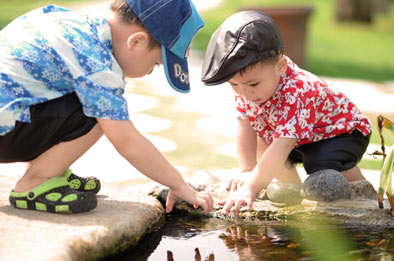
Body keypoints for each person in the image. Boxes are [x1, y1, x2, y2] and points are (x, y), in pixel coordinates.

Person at [0, 0, 213, 214]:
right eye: (156, 64)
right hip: (5, 134)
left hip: (9, 121)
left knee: (85, 96)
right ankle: (36, 181)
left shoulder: (69, 22)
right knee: (104, 112)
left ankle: (47, 170)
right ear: (137, 41)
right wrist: (178, 185)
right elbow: (126, 140)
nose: (151, 71)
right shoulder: (96, 62)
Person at [201, 11, 371, 216]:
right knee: (264, 143)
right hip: (302, 137)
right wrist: (247, 171)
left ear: (280, 66)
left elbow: (283, 144)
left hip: (342, 134)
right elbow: (244, 125)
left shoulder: (299, 91)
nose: (245, 93)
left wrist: (250, 188)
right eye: (234, 85)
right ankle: (293, 195)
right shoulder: (248, 89)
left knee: (320, 163)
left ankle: (363, 193)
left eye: (253, 84)